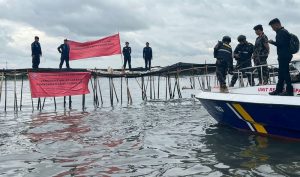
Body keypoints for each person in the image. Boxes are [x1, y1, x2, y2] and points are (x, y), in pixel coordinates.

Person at [268, 18, 293, 96]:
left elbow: (281, 44)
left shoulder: (281, 32)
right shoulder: (283, 32)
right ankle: (279, 89)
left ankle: (289, 91)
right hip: (285, 55)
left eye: (273, 27)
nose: (272, 29)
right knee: (281, 73)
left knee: (285, 73)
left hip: (284, 55)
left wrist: (272, 42)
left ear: (277, 24)